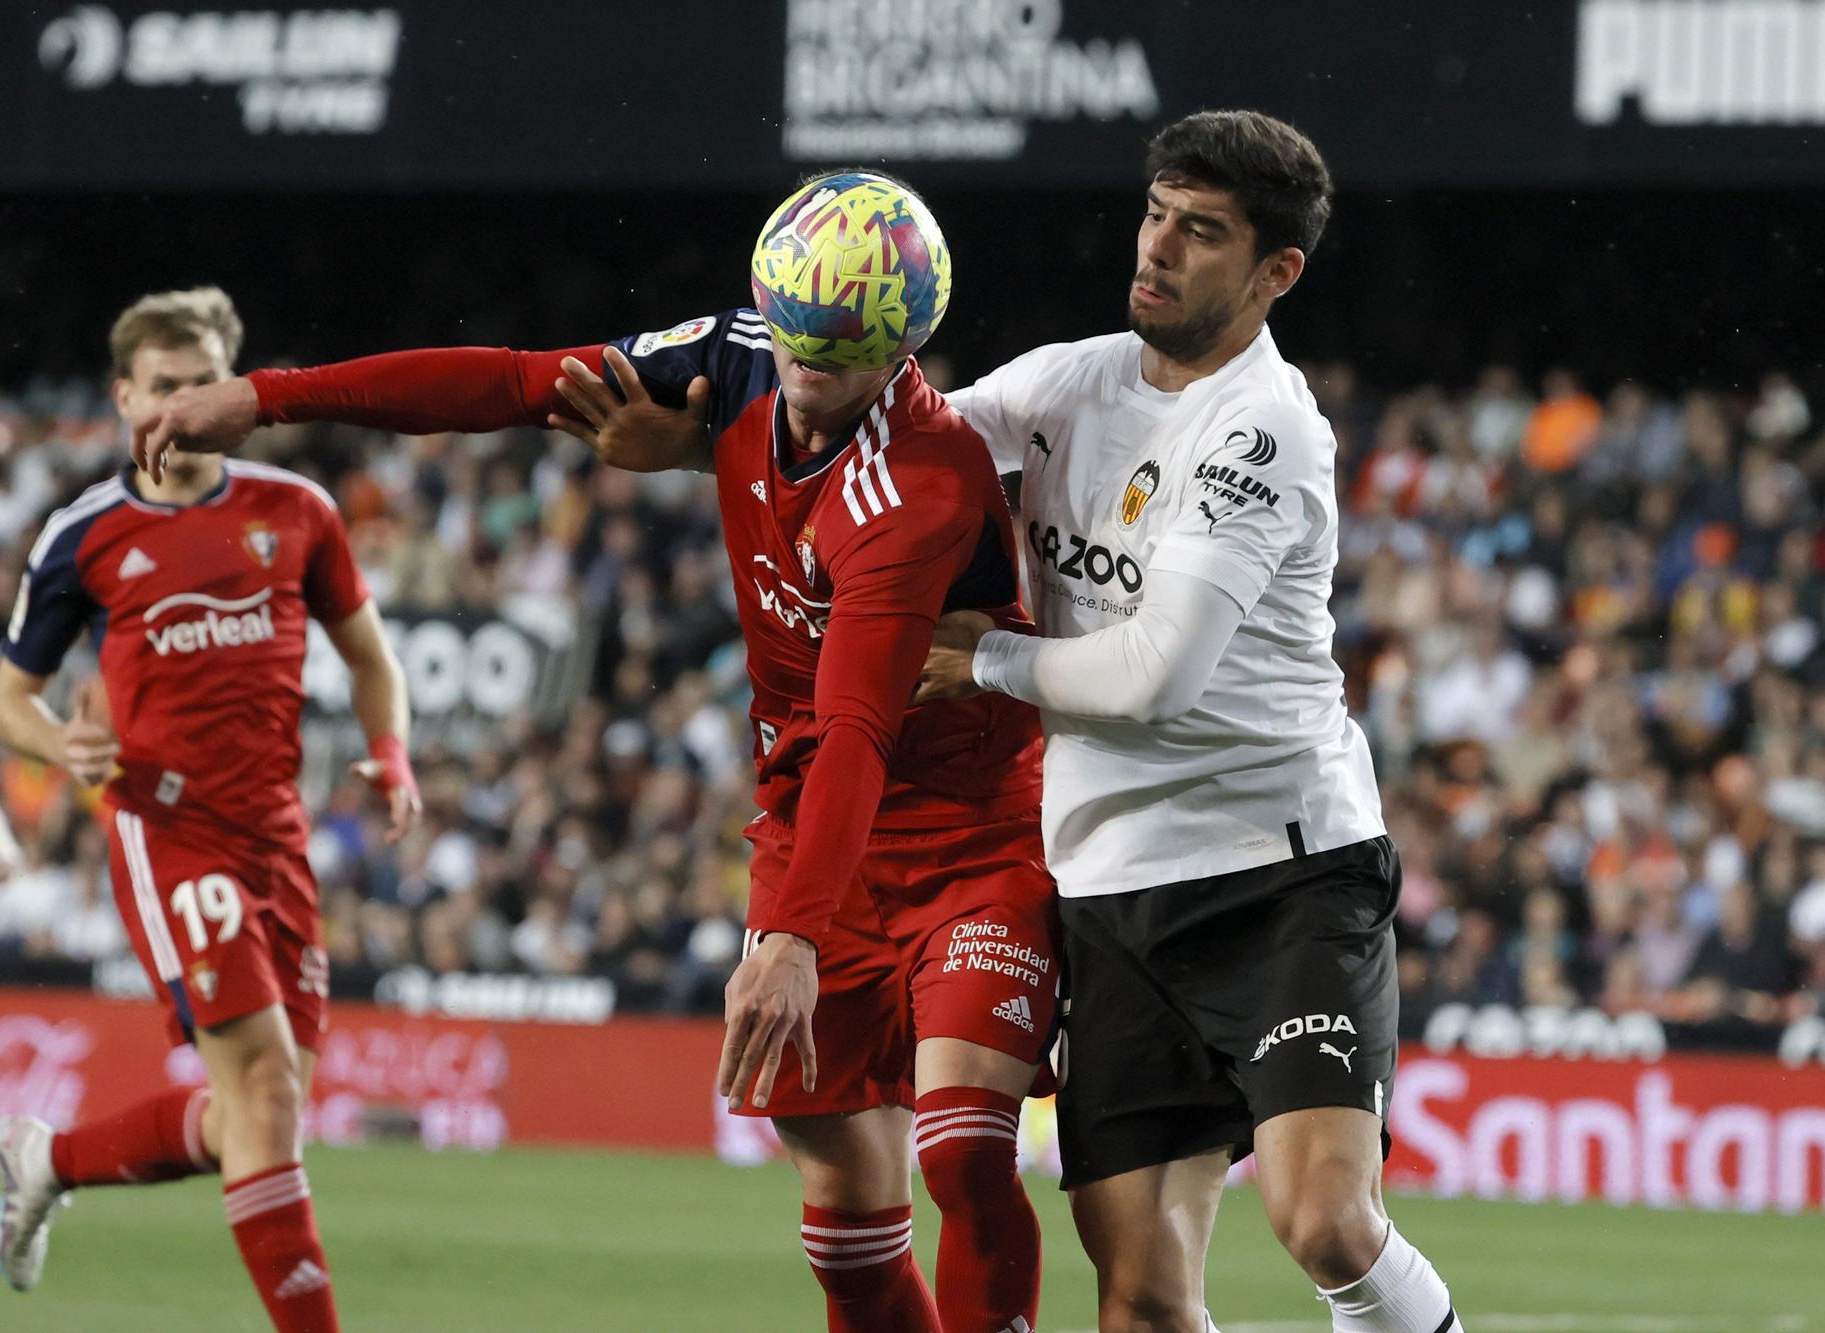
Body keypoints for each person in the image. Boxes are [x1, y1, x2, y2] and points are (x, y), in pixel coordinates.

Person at [518, 113, 1464, 1333]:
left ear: (1275, 271)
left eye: (1203, 232)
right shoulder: (1069, 380)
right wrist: (703, 445)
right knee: (1140, 1302)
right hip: (1110, 894)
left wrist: (987, 659)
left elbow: (1152, 676)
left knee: (1323, 1221)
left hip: (1279, 875)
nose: (1159, 248)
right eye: (1155, 214)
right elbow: (900, 453)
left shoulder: (1260, 431)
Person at [128, 175, 1058, 1333]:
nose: (804, 378)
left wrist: (783, 942)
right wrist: (266, 399)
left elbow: (860, 725)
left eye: (837, 357)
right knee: (844, 1211)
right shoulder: (740, 356)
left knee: (965, 1149)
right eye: (792, 345)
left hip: (970, 836)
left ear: (902, 348)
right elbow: (513, 383)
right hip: (806, 829)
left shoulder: (921, 484)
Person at [0, 286, 419, 1333]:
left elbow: (369, 656)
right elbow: (9, 701)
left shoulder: (296, 511)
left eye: (199, 385)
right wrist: (62, 742)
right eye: (160, 387)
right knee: (264, 1090)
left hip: (277, 833)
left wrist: (393, 754)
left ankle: (48, 1157)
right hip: (164, 825)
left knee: (255, 1120)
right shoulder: (83, 535)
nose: (179, 404)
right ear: (123, 396)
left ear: (228, 392)